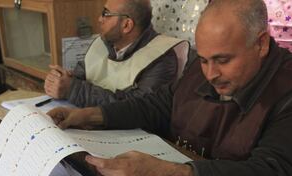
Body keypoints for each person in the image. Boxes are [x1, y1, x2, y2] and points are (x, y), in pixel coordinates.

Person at [48, 0, 292, 176]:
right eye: (203, 59)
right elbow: (159, 105)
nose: (210, 74)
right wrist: (89, 115)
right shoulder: (201, 69)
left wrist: (165, 175)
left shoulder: (285, 91)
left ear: (261, 44)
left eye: (223, 60)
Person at [44, 0, 189, 107]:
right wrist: (59, 81)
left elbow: (135, 107)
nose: (99, 19)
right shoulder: (103, 42)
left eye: (106, 14)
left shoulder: (162, 58)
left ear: (126, 25)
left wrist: (72, 89)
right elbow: (78, 77)